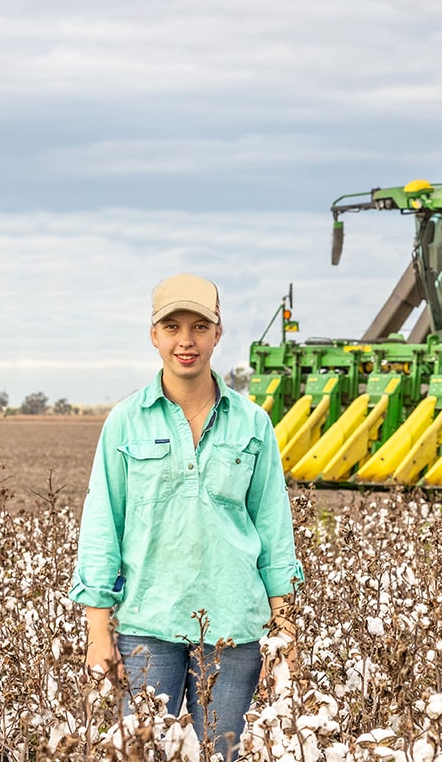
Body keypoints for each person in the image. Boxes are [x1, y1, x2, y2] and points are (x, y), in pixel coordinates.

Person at [70, 272, 303, 761]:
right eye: (172, 326)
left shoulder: (253, 423)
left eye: (199, 326)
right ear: (154, 335)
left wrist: (285, 629)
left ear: (218, 333)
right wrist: (97, 632)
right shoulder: (125, 422)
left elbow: (274, 530)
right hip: (145, 626)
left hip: (234, 629)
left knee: (224, 755)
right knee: (141, 754)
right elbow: (101, 527)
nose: (186, 341)